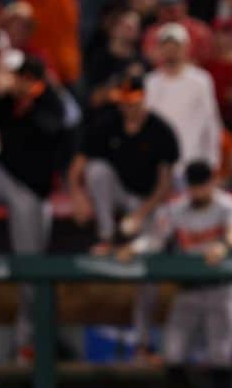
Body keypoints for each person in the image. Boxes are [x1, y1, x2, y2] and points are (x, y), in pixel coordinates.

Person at [116, 159, 232, 388]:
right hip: (188, 289)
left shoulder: (230, 206)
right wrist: (135, 248)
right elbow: (156, 239)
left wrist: (225, 246)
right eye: (194, 185)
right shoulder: (176, 209)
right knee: (173, 353)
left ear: (213, 181)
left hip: (221, 289)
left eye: (202, 184)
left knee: (222, 355)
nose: (198, 190)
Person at [0, 52, 67, 350]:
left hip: (31, 194)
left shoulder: (50, 102)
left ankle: (28, 343)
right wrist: (7, 97)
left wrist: (30, 101)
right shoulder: (7, 102)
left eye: (25, 79)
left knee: (31, 272)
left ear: (34, 79)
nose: (20, 83)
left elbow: (50, 130)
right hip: (3, 179)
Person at [68, 71, 179, 253]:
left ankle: (148, 276)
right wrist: (77, 197)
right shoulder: (107, 123)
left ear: (143, 99)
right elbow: (78, 164)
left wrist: (140, 213)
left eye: (133, 103)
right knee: (96, 170)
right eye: (124, 103)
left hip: (147, 200)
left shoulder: (160, 130)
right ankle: (107, 236)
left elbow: (165, 184)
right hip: (117, 193)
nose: (128, 108)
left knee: (151, 243)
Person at [144, 22, 222, 173]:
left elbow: (211, 122)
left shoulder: (201, 81)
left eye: (176, 45)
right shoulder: (149, 82)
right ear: (159, 49)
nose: (171, 50)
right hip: (159, 166)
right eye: (166, 45)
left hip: (192, 163)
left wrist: (213, 161)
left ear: (186, 48)